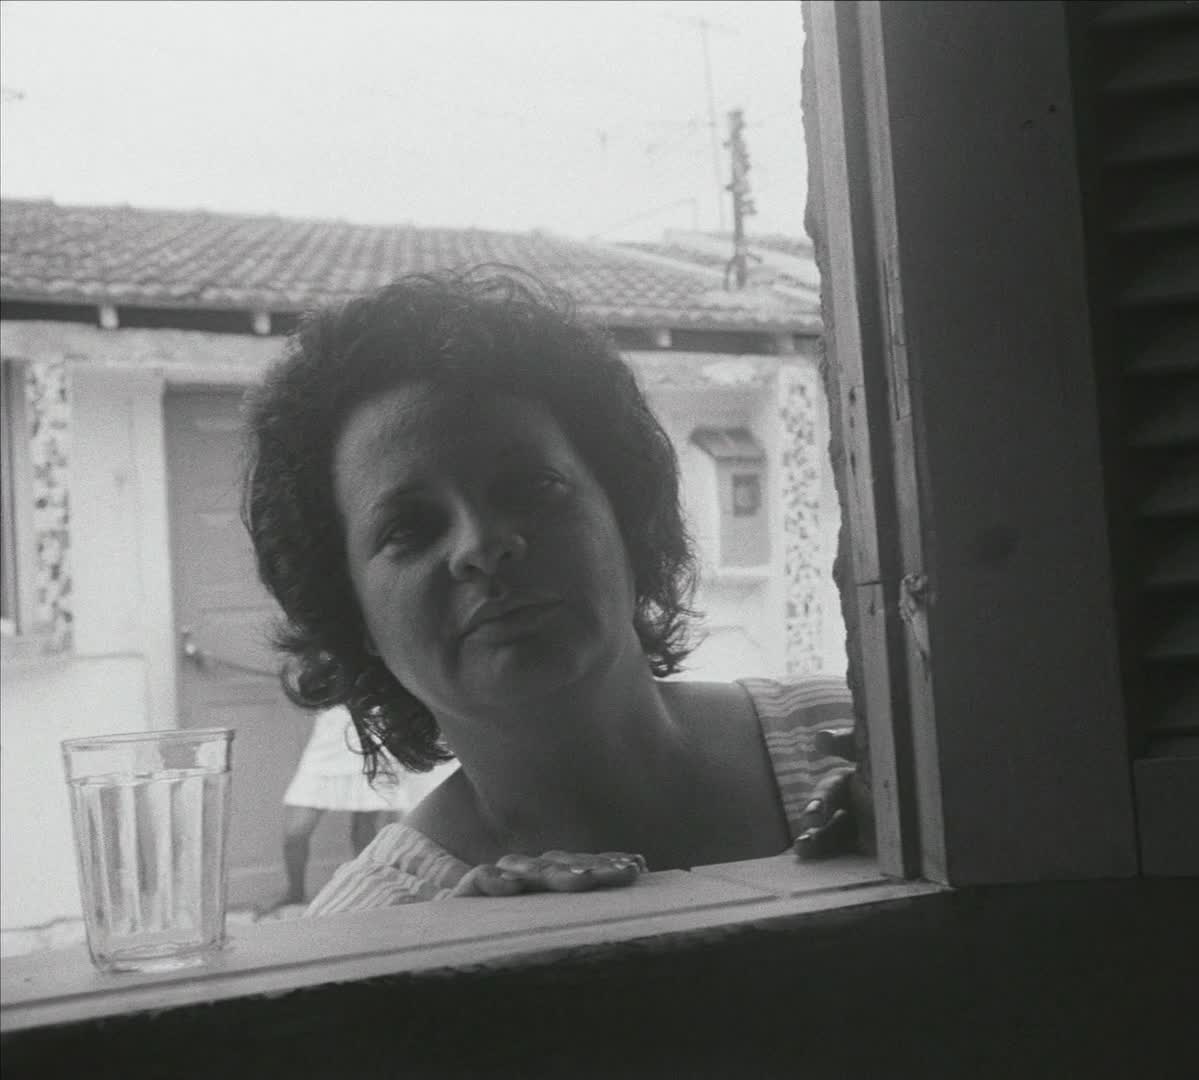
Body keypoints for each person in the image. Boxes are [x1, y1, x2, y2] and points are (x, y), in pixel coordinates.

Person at [241, 268, 858, 915]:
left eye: (531, 488)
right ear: (353, 613)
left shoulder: (854, 746)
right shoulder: (372, 930)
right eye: (410, 528)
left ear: (625, 514)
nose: (481, 544)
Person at [265, 704, 462, 914]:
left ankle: (368, 893)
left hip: (371, 735)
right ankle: (295, 893)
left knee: (365, 830)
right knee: (295, 833)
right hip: (329, 740)